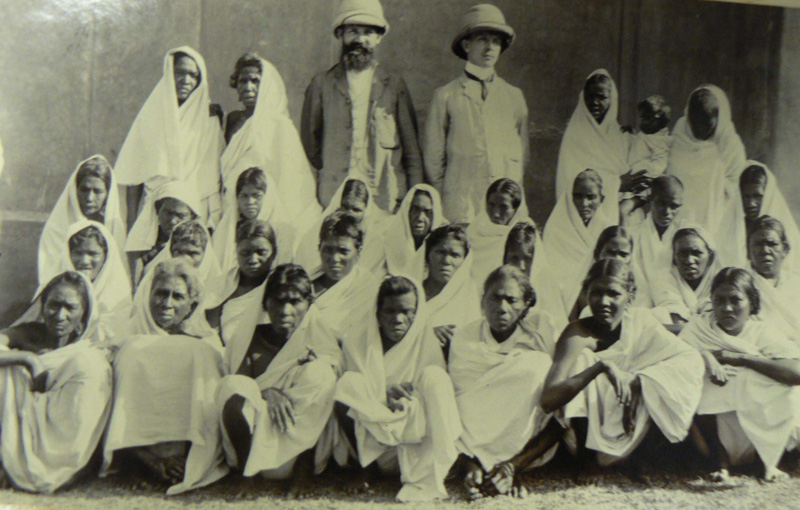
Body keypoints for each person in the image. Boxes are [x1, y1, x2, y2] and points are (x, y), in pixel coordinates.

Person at [540, 259, 703, 476]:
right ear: (586, 293)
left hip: (632, 426)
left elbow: (690, 359)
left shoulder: (642, 322)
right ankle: (586, 460)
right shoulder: (577, 333)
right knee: (583, 360)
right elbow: (548, 399)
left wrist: (636, 381)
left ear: (631, 296)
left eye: (614, 294)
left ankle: (641, 458)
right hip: (584, 436)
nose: (603, 301)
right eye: (596, 293)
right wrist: (600, 367)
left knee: (660, 375)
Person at [101, 259, 227, 495]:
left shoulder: (205, 344)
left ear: (192, 304)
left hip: (185, 448)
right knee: (131, 353)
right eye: (160, 293)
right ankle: (137, 462)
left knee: (202, 356)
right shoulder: (130, 338)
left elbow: (207, 408)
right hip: (140, 451)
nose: (166, 303)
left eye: (177, 296)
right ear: (149, 295)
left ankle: (186, 463)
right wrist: (150, 459)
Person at [217, 264, 342, 498]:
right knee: (231, 385)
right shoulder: (248, 339)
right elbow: (238, 390)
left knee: (321, 372)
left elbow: (323, 397)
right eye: (278, 301)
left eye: (294, 302)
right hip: (252, 446)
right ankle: (248, 476)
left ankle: (302, 474)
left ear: (309, 304)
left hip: (300, 450)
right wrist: (269, 392)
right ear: (265, 304)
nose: (285, 310)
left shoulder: (317, 339)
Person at [334, 276, 461, 501]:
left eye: (406, 311)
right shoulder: (359, 341)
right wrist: (383, 395)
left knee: (437, 377)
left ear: (417, 312)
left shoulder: (426, 341)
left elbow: (433, 398)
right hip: (374, 441)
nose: (398, 319)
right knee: (347, 384)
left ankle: (436, 470)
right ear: (378, 313)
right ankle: (367, 468)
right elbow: (359, 397)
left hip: (417, 441)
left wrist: (407, 398)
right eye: (390, 311)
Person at [448, 265, 559, 499]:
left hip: (520, 446)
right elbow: (459, 402)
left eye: (512, 300)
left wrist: (513, 466)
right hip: (468, 441)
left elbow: (556, 417)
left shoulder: (537, 339)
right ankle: (473, 464)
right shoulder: (464, 337)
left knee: (538, 366)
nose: (502, 308)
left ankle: (507, 466)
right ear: (482, 301)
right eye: (495, 298)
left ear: (526, 305)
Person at [301, 0, 423, 211]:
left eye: (368, 32)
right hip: (336, 196)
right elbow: (311, 146)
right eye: (353, 31)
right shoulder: (321, 84)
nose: (360, 39)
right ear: (341, 35)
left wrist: (413, 198)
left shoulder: (394, 86)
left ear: (378, 38)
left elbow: (411, 151)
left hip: (384, 197)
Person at [680, 267, 800, 482]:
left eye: (735, 300)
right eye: (719, 300)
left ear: (751, 302)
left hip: (761, 426)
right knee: (697, 378)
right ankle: (720, 464)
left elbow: (796, 373)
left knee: (772, 383)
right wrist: (707, 356)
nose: (727, 308)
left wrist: (742, 359)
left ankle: (768, 463)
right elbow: (678, 360)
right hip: (716, 434)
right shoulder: (699, 328)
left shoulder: (762, 331)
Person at [0, 272, 112, 492]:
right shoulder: (30, 332)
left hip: (65, 435)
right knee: (6, 370)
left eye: (70, 308)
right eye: (53, 305)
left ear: (84, 313)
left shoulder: (90, 349)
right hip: (25, 416)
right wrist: (28, 358)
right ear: (43, 307)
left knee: (93, 367)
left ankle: (66, 470)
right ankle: (7, 460)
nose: (60, 315)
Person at [423, 4, 528, 222]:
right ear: (466, 45)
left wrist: (511, 194)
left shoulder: (513, 96)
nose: (490, 48)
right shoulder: (446, 96)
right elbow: (434, 160)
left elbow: (522, 155)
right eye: (482, 40)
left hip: (503, 207)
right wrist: (450, 198)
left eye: (496, 41)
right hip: (462, 206)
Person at [115, 47, 223, 230]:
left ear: (199, 80)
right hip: (154, 211)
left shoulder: (209, 119)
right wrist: (131, 222)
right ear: (168, 73)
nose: (186, 80)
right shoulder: (150, 116)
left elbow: (213, 177)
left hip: (194, 211)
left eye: (192, 75)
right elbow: (134, 176)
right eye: (180, 73)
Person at [221, 53, 320, 235]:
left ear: (266, 85)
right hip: (236, 205)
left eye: (255, 81)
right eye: (243, 81)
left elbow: (291, 178)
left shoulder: (280, 125)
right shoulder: (233, 120)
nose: (248, 87)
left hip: (267, 207)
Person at [26, 221, 131, 341]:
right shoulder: (53, 289)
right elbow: (28, 328)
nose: (84, 261)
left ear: (105, 256)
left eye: (93, 254)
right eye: (78, 253)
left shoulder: (119, 296)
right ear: (67, 254)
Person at [555, 69, 642, 210]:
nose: (595, 102)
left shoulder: (621, 136)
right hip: (585, 210)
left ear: (612, 99)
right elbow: (569, 181)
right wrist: (617, 183)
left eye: (601, 97)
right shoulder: (575, 135)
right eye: (590, 96)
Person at [542, 169, 617, 325]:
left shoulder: (608, 228)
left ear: (601, 199)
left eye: (591, 197)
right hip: (561, 294)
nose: (584, 203)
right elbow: (551, 273)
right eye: (578, 196)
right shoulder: (555, 228)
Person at [666, 85, 746, 228]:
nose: (699, 129)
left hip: (716, 220)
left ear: (719, 119)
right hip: (677, 218)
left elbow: (737, 189)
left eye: (706, 123)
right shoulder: (680, 133)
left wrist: (712, 177)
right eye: (695, 123)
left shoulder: (730, 144)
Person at [38, 155, 126, 284]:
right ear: (74, 190)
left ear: (108, 193)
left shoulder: (114, 229)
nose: (90, 198)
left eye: (97, 191)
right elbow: (50, 276)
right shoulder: (56, 228)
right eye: (84, 190)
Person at [212, 167, 293, 293]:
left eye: (256, 196)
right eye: (244, 196)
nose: (250, 202)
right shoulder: (226, 229)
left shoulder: (284, 230)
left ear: (268, 197)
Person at [307, 211, 381, 337]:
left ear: (358, 252)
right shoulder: (305, 282)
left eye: (343, 251)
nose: (335, 258)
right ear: (319, 248)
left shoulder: (369, 289)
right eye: (328, 250)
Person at [718, 161, 800, 273]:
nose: (751, 204)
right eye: (746, 197)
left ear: (768, 195)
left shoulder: (787, 232)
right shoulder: (729, 231)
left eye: (757, 196)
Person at [295, 178, 387, 276]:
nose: (349, 213)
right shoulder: (318, 234)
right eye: (344, 207)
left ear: (366, 212)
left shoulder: (375, 242)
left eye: (356, 210)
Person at [622, 175, 688, 307]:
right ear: (650, 199)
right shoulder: (632, 234)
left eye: (674, 206)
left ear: (681, 204)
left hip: (678, 305)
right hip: (639, 305)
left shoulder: (687, 234)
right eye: (661, 203)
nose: (667, 212)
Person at [210, 219, 277, 343]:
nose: (252, 259)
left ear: (274, 252)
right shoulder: (221, 286)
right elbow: (210, 331)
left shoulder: (281, 285)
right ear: (236, 252)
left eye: (261, 252)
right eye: (245, 253)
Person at [361, 184, 446, 279]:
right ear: (406, 211)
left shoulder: (442, 245)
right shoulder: (388, 238)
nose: (420, 218)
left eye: (427, 212)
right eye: (415, 210)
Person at [422, 225, 480, 359]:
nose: (446, 261)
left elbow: (474, 342)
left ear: (464, 261)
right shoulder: (413, 291)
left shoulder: (468, 293)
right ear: (427, 255)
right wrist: (428, 335)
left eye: (455, 255)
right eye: (440, 252)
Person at [125, 181, 203, 281]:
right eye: (168, 213)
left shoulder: (196, 249)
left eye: (180, 216)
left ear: (192, 217)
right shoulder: (143, 249)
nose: (172, 221)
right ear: (157, 211)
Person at [650, 226, 723, 333]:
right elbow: (673, 313)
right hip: (675, 342)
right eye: (682, 254)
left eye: (696, 253)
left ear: (710, 258)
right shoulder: (663, 278)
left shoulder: (721, 282)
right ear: (674, 258)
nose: (689, 261)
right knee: (659, 313)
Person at [466, 178, 531, 288]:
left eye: (504, 207)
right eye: (491, 205)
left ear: (515, 210)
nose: (496, 213)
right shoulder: (473, 231)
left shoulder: (525, 235)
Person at [747, 216, 800, 345]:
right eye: (758, 244)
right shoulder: (740, 284)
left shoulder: (796, 284)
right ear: (748, 251)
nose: (765, 251)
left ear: (785, 249)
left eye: (771, 244)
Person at [503, 221, 564, 331]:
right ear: (505, 258)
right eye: (514, 258)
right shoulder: (496, 285)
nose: (521, 266)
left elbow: (557, 328)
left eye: (528, 259)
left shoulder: (547, 285)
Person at [627, 95, 672, 177]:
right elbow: (640, 146)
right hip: (631, 174)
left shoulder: (661, 140)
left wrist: (643, 170)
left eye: (650, 119)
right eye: (642, 118)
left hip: (643, 177)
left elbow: (660, 163)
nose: (645, 122)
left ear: (662, 121)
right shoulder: (646, 134)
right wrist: (631, 134)